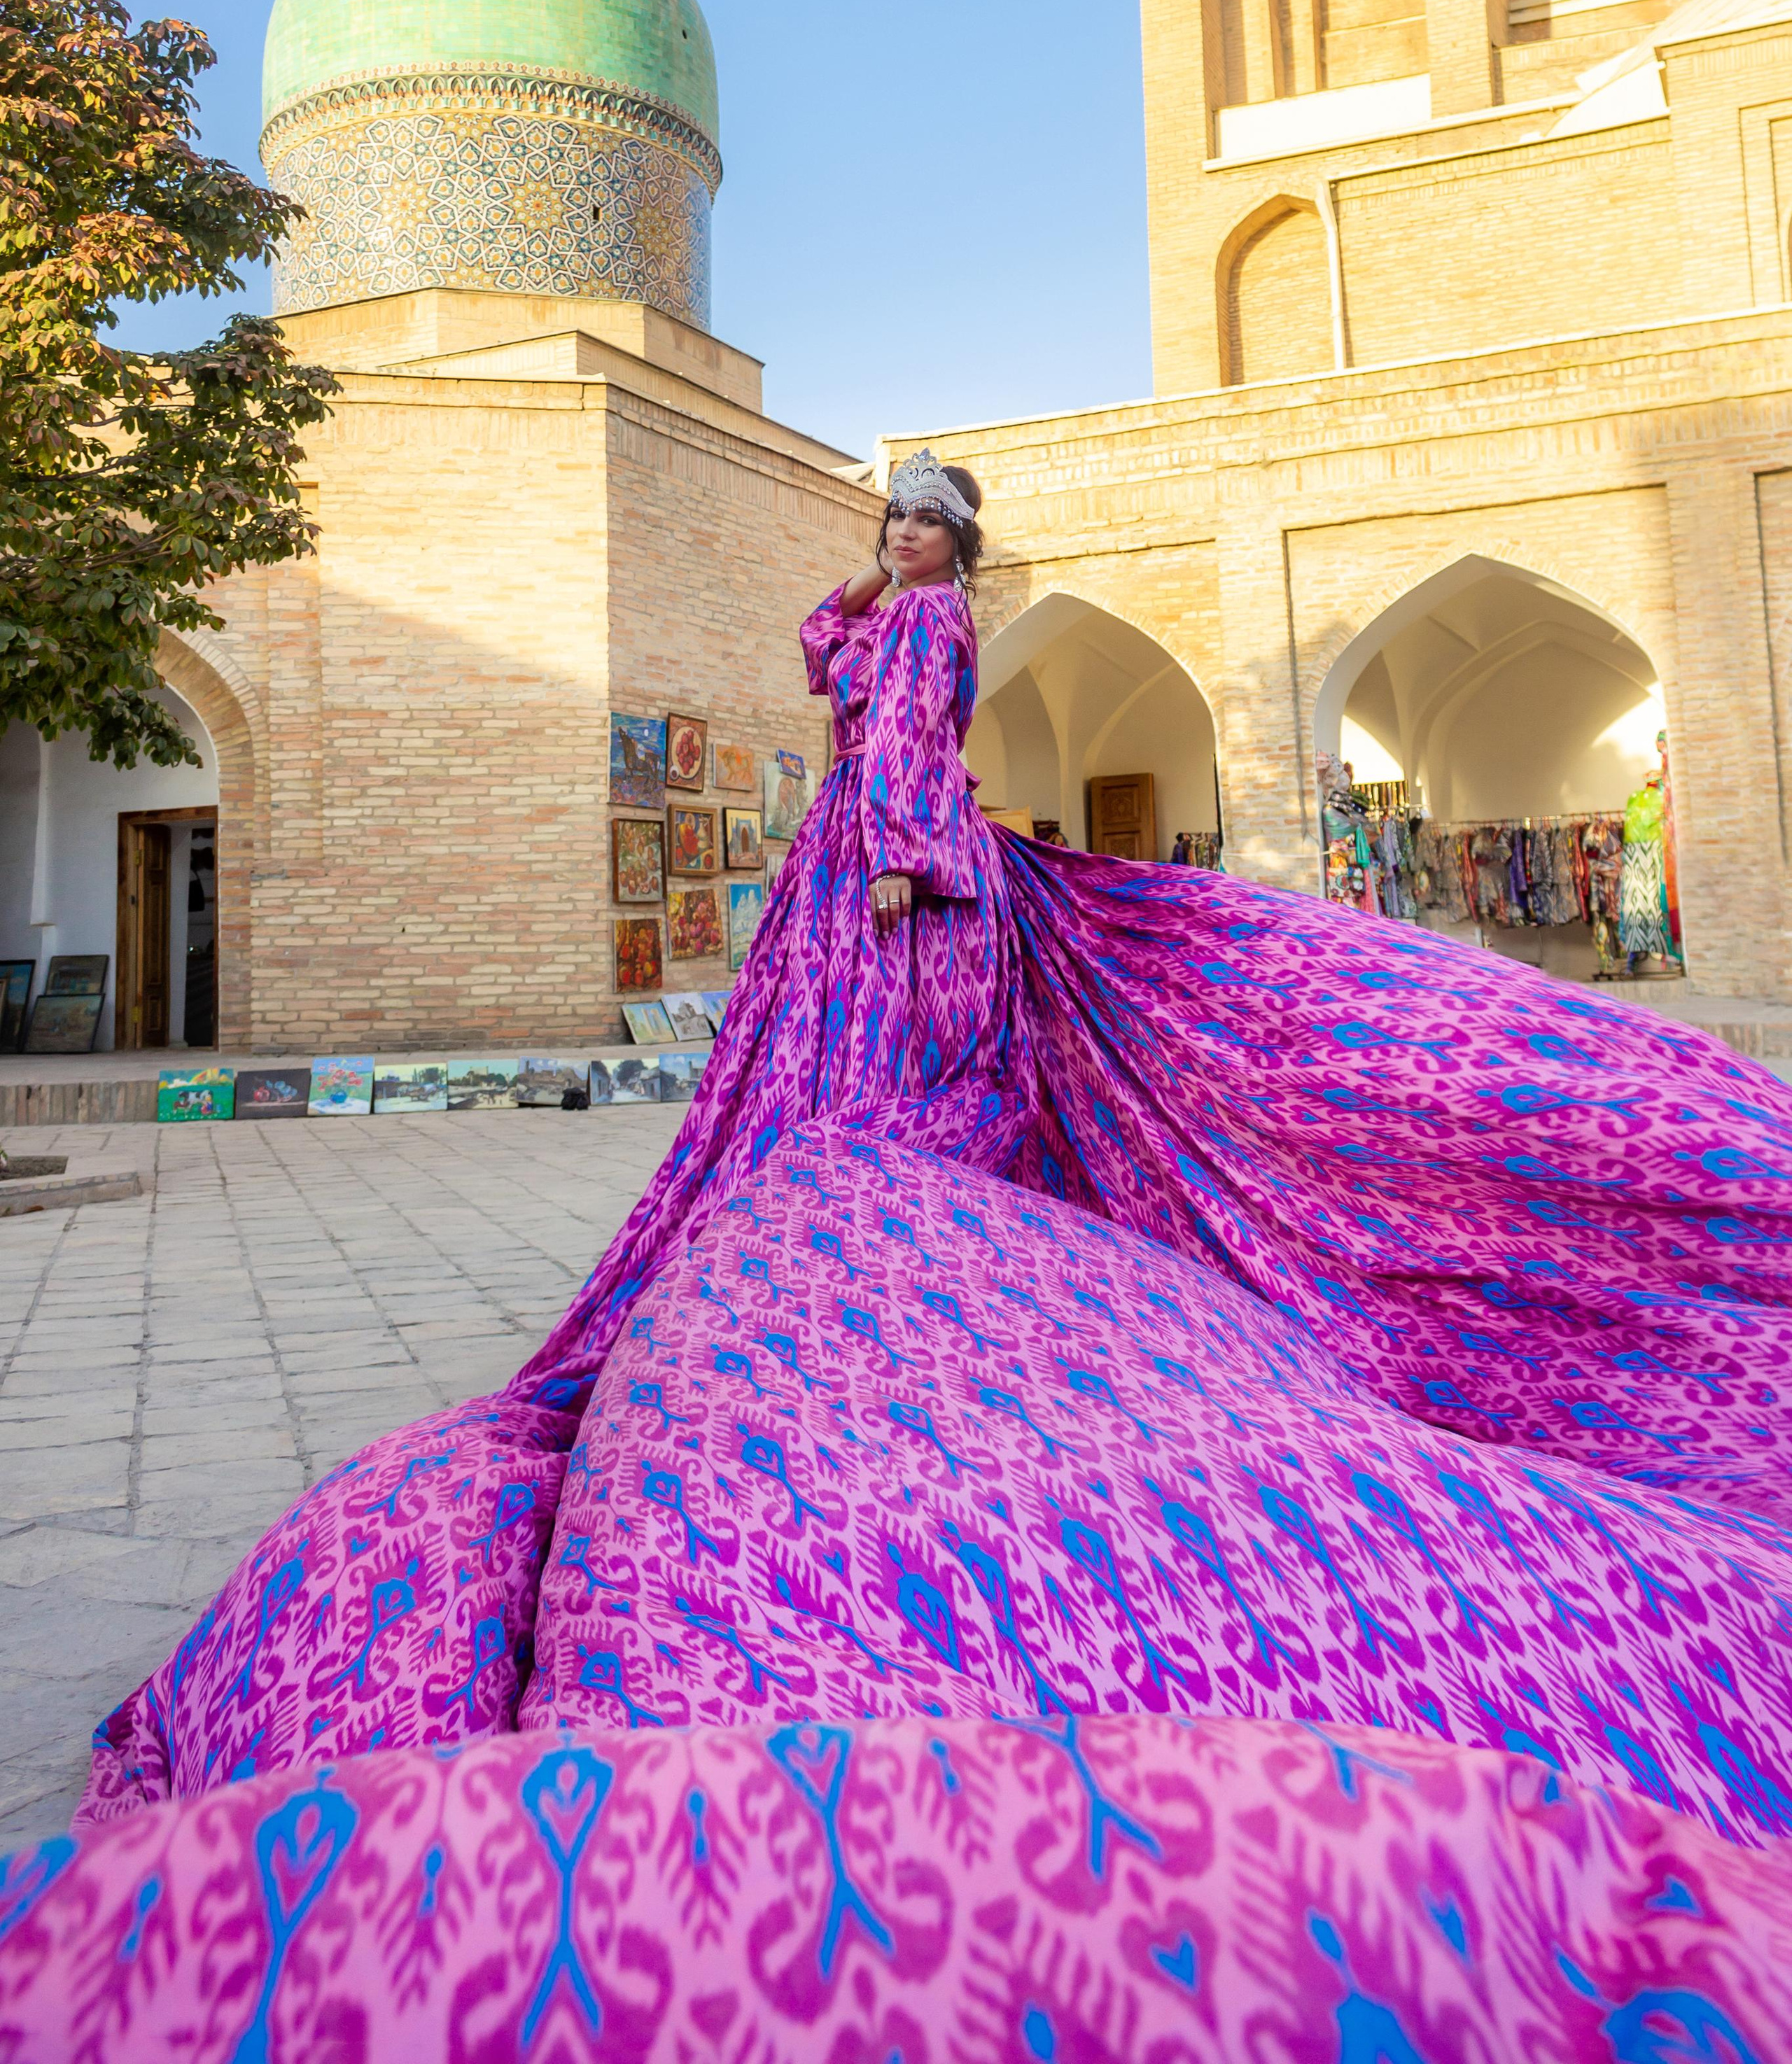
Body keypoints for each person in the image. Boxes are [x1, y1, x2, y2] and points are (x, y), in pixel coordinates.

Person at [63, 452, 1792, 1999]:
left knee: (885, 1078)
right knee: (830, 1086)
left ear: (961, 546)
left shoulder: (945, 632)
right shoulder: (886, 608)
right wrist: (855, 586)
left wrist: (901, 854)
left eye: (922, 527)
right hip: (858, 864)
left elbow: (898, 733)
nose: (900, 544)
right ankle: (868, 1262)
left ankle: (893, 1274)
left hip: (896, 871)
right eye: (890, 521)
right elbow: (821, 661)